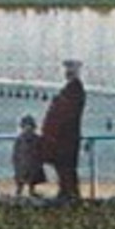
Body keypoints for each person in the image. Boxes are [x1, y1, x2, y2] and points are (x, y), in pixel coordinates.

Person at [40, 59, 87, 203]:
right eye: (67, 69)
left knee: (66, 166)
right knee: (64, 167)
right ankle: (67, 193)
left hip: (66, 137)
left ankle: (69, 194)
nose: (67, 72)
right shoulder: (71, 89)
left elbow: (66, 113)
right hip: (64, 137)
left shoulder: (75, 89)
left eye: (70, 69)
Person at [12, 114, 47, 198]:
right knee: (21, 177)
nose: (28, 128)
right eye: (26, 126)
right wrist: (15, 161)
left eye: (30, 126)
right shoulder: (20, 139)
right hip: (22, 162)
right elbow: (16, 152)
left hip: (33, 162)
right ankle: (19, 191)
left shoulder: (37, 139)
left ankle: (31, 190)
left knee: (33, 177)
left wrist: (40, 160)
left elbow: (41, 150)